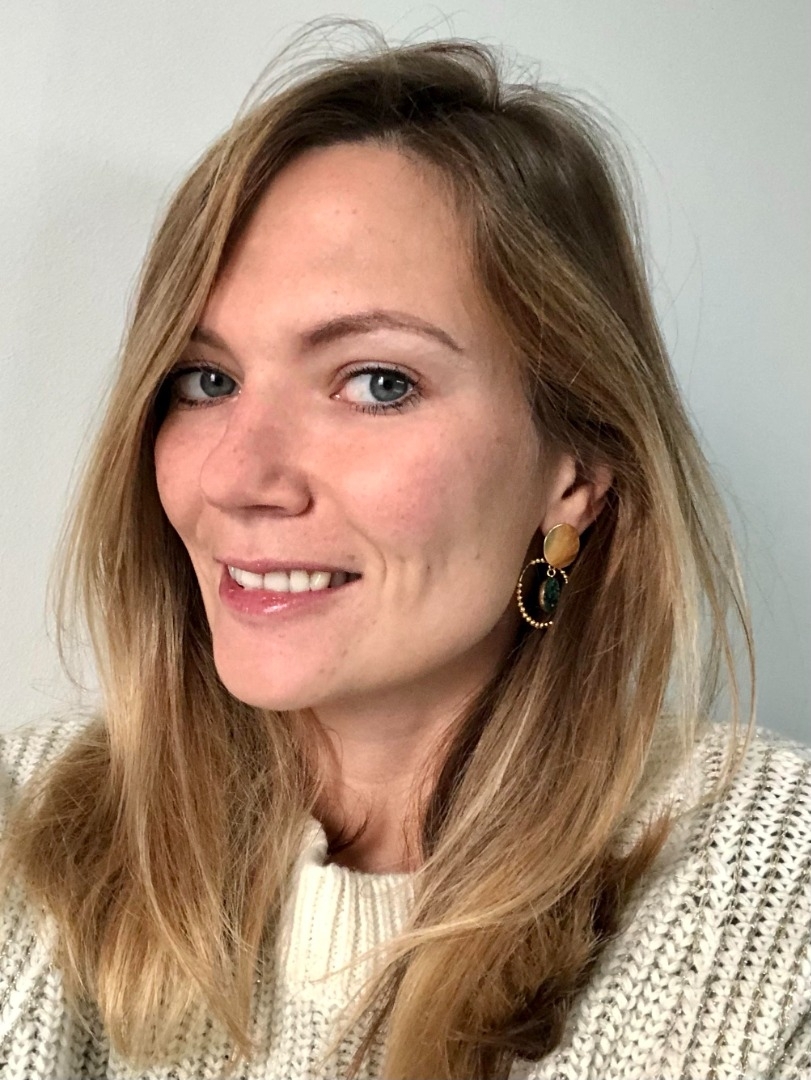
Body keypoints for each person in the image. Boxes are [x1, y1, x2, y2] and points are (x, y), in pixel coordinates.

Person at [1, 24, 809, 1080]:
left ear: (574, 472)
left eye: (377, 382)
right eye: (206, 380)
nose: (239, 475)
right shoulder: (24, 824)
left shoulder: (775, 898)